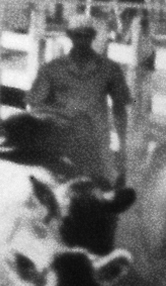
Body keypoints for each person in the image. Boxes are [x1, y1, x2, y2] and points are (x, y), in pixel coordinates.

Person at [27, 13, 131, 184]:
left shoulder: (109, 68)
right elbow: (35, 105)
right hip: (60, 142)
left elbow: (120, 108)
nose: (82, 40)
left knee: (109, 187)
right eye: (77, 35)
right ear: (69, 36)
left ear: (93, 36)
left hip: (98, 142)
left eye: (87, 35)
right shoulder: (52, 69)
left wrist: (122, 146)